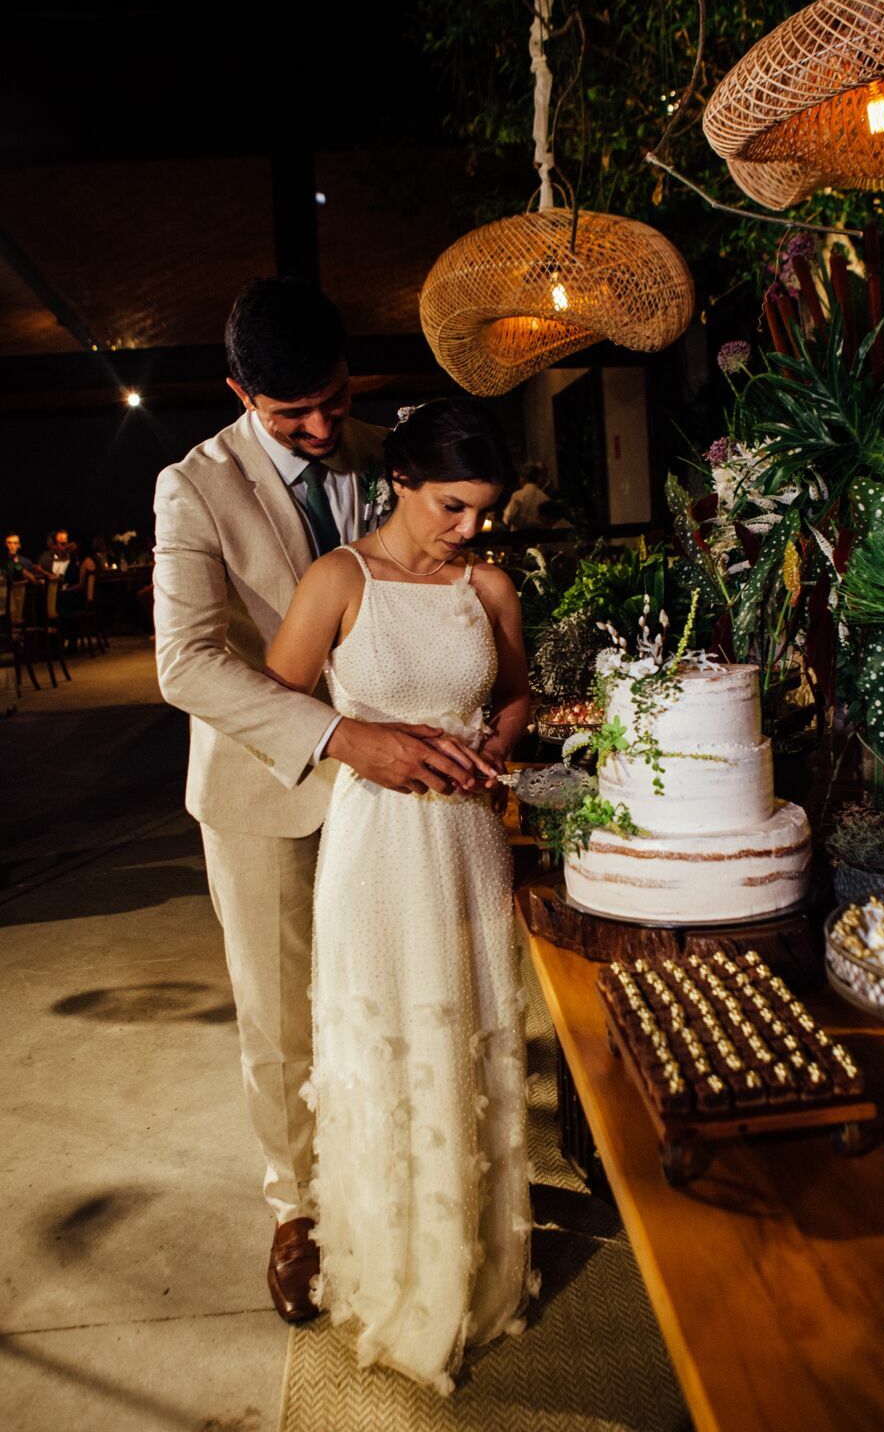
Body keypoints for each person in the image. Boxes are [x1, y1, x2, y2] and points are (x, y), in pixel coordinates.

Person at [153, 278, 485, 1326]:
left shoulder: (392, 452)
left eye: (335, 399)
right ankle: (299, 1208)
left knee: (412, 986)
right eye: (290, 410)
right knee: (285, 1012)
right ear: (237, 390)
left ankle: (409, 1168)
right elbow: (186, 664)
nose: (321, 426)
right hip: (270, 789)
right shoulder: (190, 486)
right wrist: (344, 738)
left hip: (402, 804)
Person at [265, 397, 534, 1392]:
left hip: (465, 840)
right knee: (388, 1048)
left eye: (483, 510)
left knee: (462, 1036)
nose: (470, 528)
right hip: (374, 845)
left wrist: (495, 748)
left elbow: (513, 691)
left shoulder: (489, 585)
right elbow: (280, 695)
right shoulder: (340, 579)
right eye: (452, 507)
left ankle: (472, 1265)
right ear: (400, 485)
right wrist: (360, 746)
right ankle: (388, 1272)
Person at [502, 462, 550, 532]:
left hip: (519, 537)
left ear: (523, 478)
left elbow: (507, 517)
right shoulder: (545, 498)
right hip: (539, 538)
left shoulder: (517, 495)